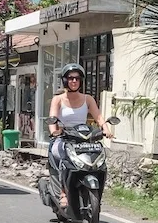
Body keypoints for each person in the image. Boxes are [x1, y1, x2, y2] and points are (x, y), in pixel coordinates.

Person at [48, 64, 112, 207]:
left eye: (77, 78)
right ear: (65, 81)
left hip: (83, 139)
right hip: (63, 139)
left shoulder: (88, 99)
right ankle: (63, 191)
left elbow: (99, 116)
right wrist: (54, 131)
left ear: (81, 81)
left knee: (98, 156)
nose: (74, 81)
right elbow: (52, 118)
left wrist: (105, 129)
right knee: (63, 155)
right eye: (70, 78)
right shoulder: (58, 99)